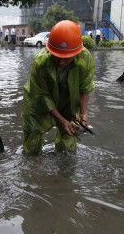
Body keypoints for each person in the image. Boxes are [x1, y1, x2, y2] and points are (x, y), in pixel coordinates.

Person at [21, 20, 96, 154]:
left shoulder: (85, 58)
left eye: (66, 58)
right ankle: (31, 167)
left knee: (69, 135)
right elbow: (41, 95)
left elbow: (85, 87)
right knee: (32, 133)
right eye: (57, 57)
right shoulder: (40, 62)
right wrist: (60, 120)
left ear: (76, 53)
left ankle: (64, 168)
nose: (61, 62)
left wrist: (84, 113)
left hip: (69, 98)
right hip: (39, 99)